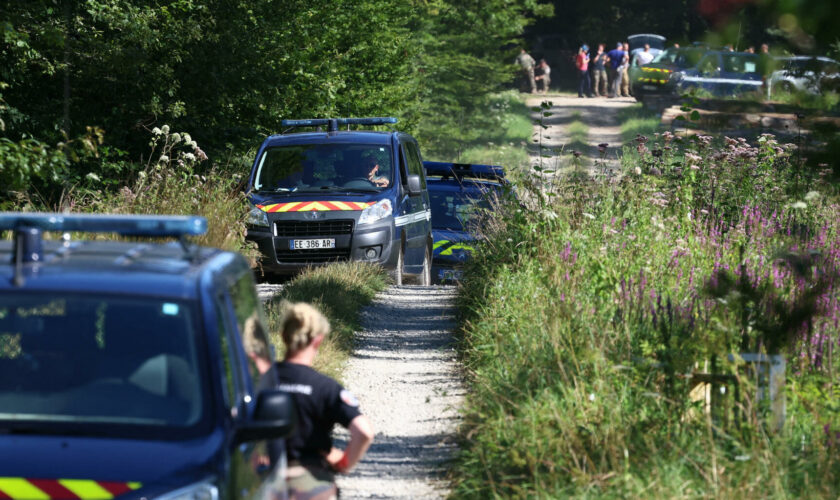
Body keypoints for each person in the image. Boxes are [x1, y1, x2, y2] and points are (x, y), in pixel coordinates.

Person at [275, 303, 375, 500]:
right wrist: (345, 463)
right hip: (310, 482)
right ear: (318, 340)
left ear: (283, 336)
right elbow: (364, 432)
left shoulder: (259, 381)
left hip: (262, 478)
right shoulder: (325, 387)